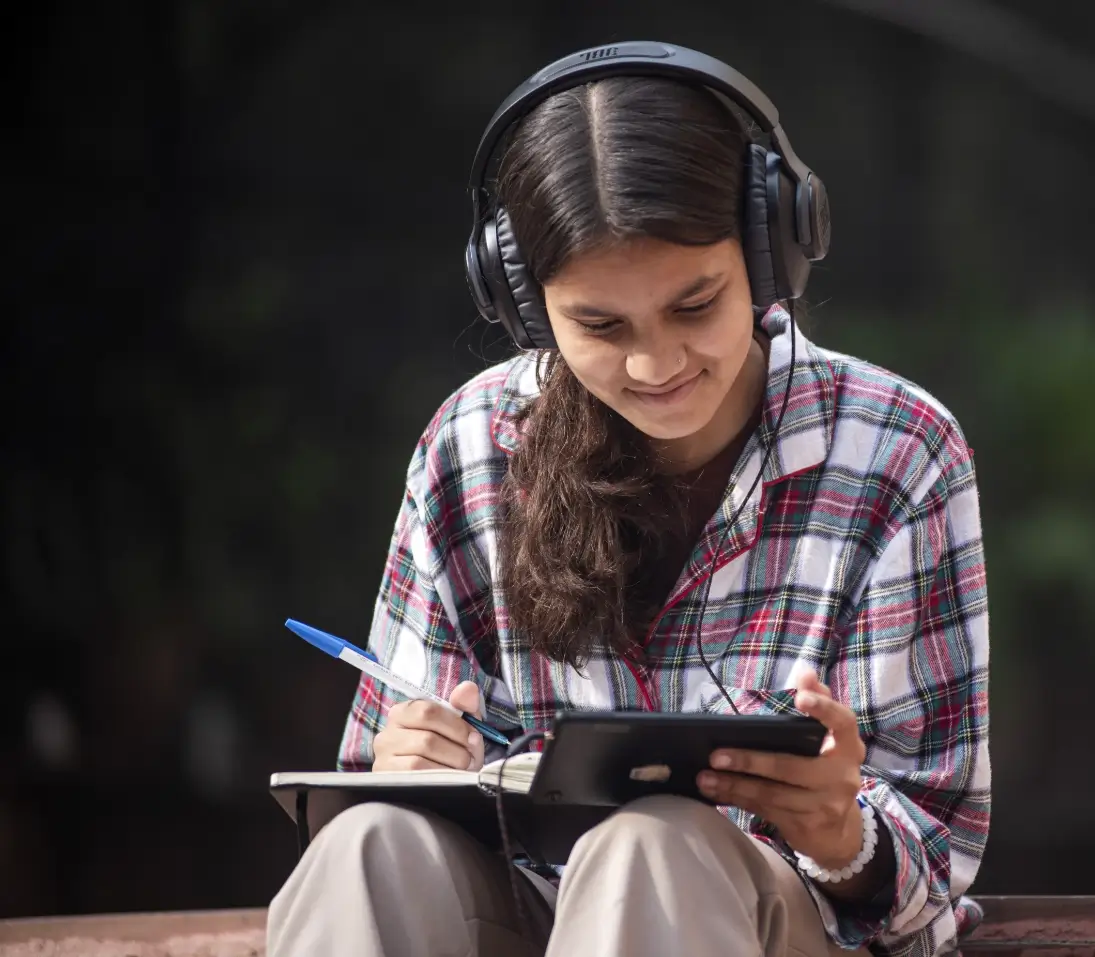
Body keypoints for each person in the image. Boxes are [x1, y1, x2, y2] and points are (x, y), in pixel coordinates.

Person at [266, 42, 989, 957]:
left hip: (769, 928)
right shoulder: (472, 446)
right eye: (600, 326)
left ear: (771, 251)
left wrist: (844, 834)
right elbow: (377, 792)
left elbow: (933, 885)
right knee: (367, 847)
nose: (657, 365)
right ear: (525, 303)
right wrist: (404, 768)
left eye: (696, 306)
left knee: (651, 848)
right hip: (528, 913)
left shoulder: (897, 451)